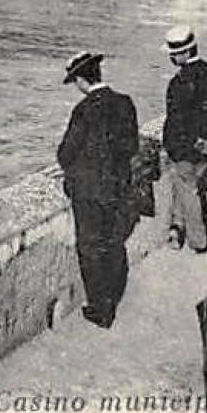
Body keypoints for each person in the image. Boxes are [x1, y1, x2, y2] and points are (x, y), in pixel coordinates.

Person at [56, 52, 140, 328]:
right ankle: (112, 296)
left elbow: (66, 154)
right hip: (117, 186)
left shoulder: (83, 110)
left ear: (81, 80)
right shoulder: (124, 103)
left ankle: (100, 308)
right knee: (113, 242)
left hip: (89, 191)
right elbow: (131, 147)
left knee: (90, 247)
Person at [161, 25, 207, 254]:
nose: (172, 58)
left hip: (187, 148)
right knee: (188, 185)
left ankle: (197, 240)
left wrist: (175, 147)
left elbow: (176, 121)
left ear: (183, 53)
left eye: (173, 54)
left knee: (186, 185)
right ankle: (177, 228)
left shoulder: (178, 82)